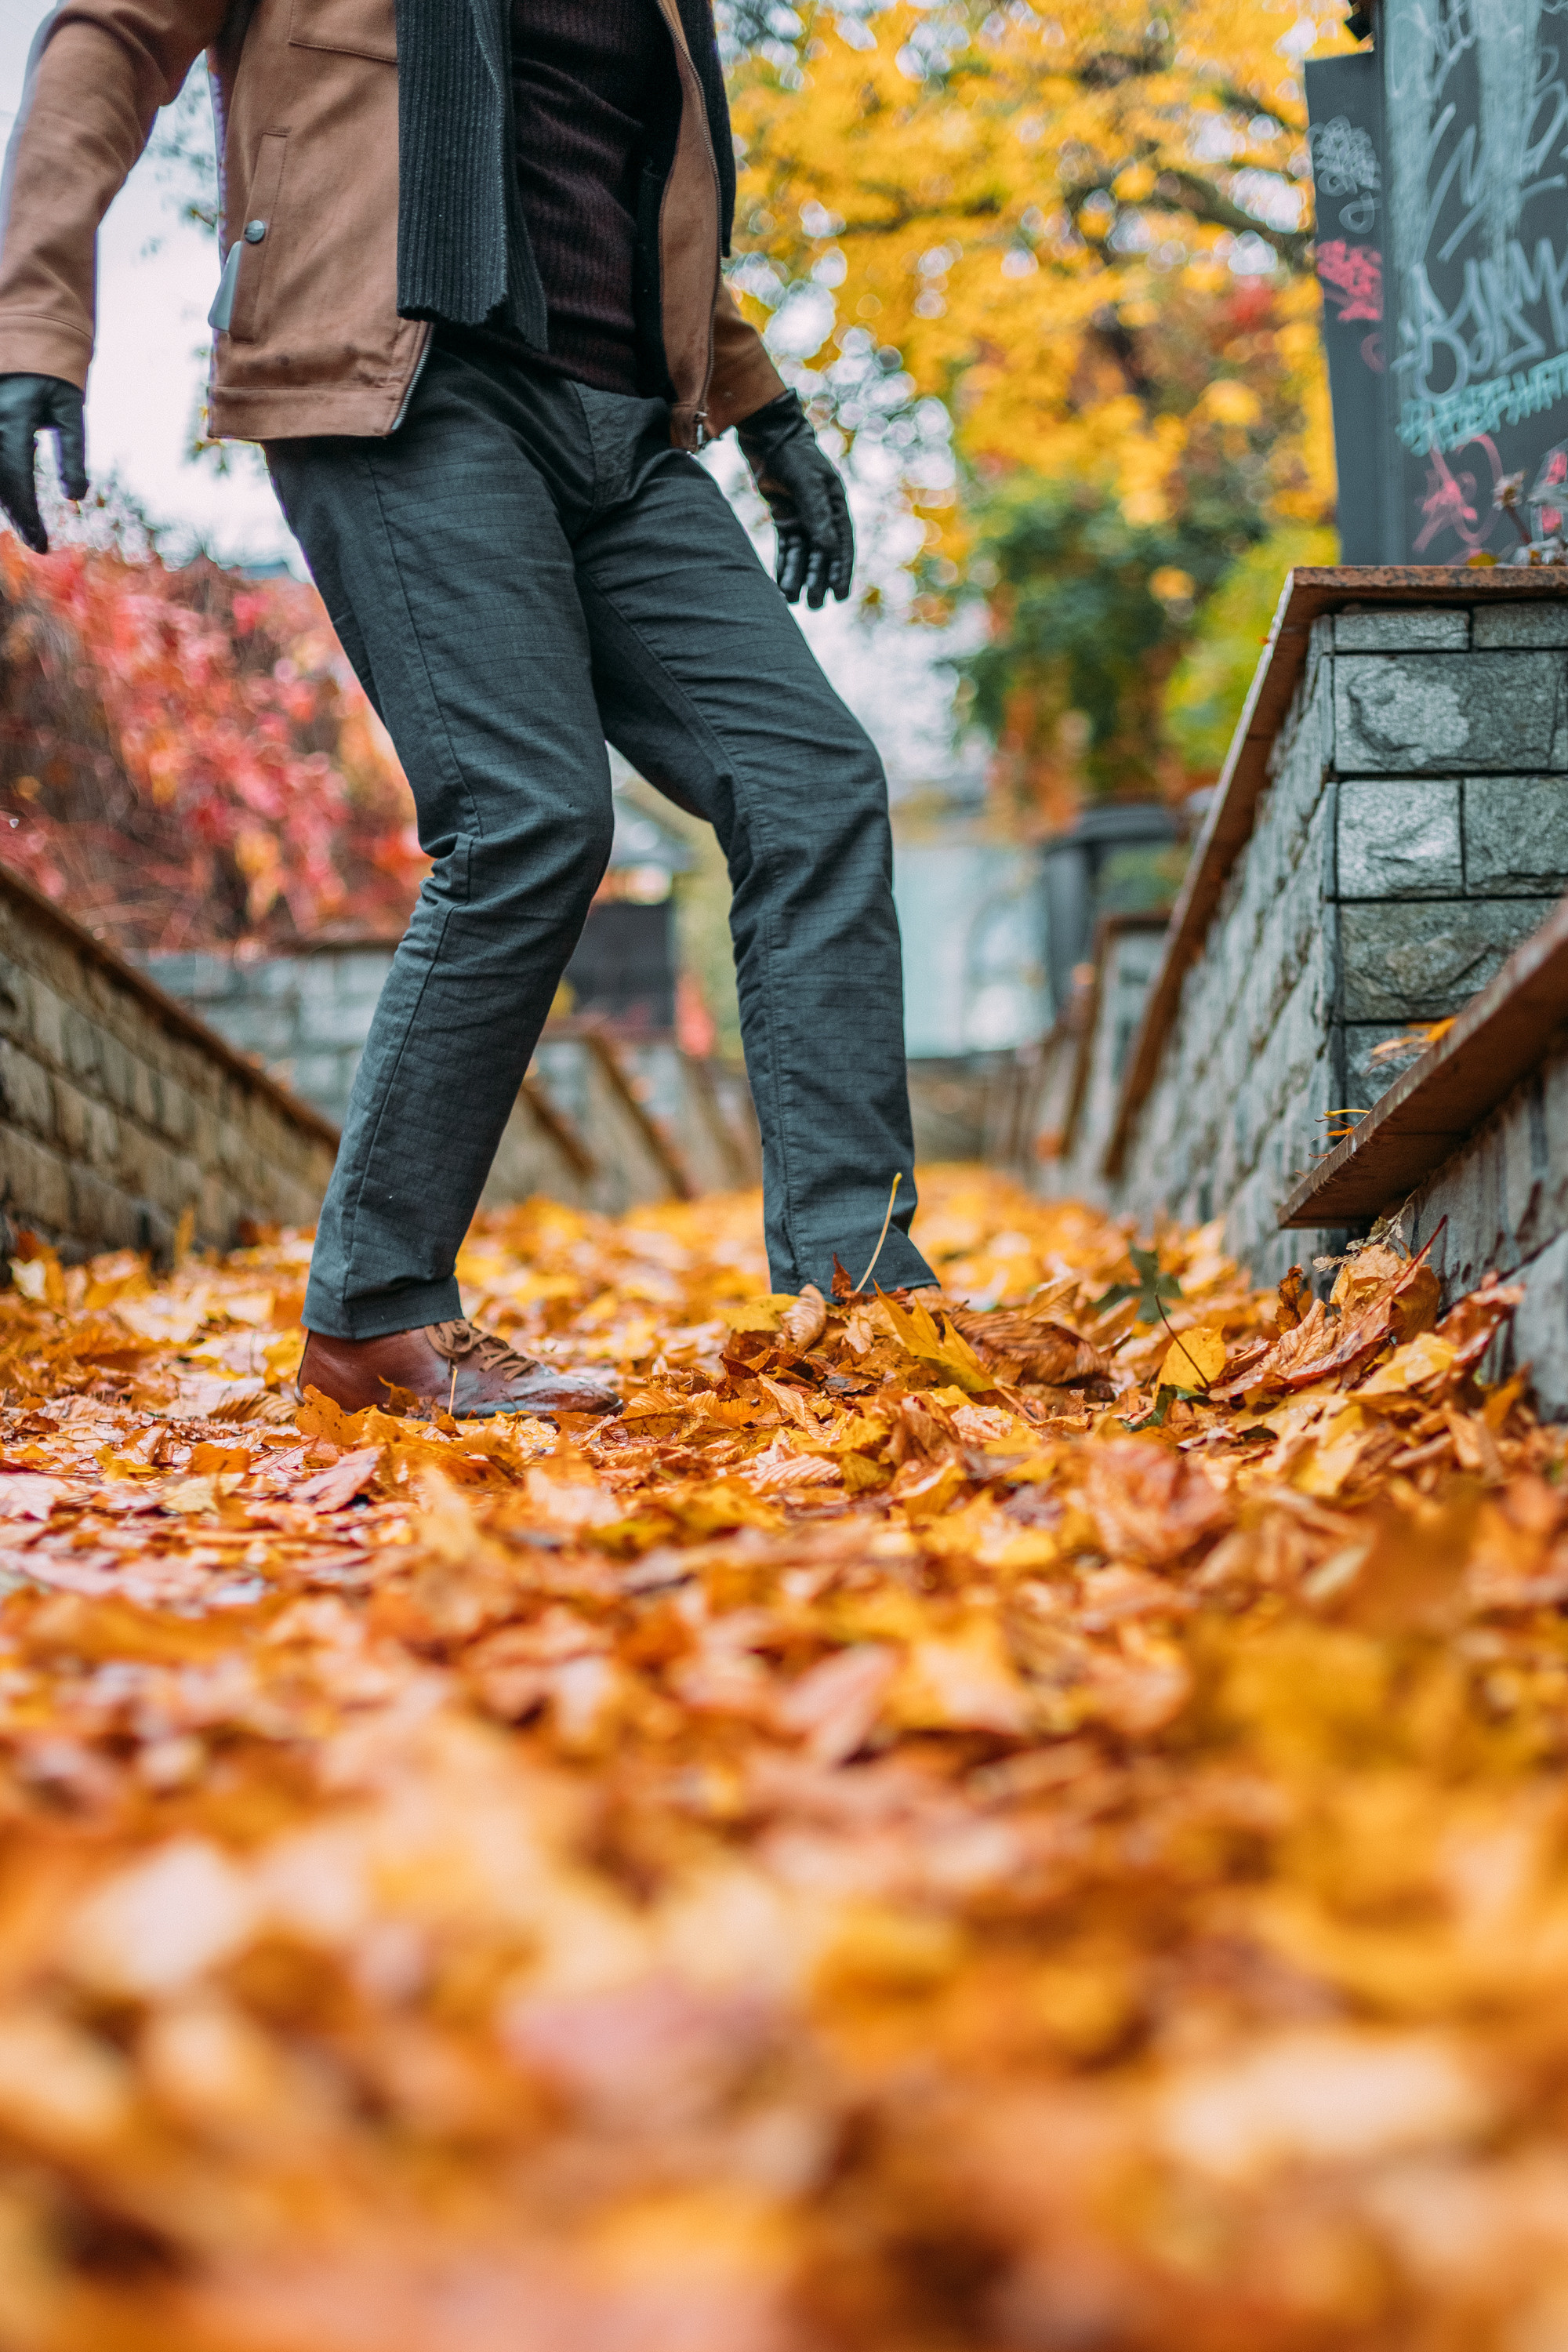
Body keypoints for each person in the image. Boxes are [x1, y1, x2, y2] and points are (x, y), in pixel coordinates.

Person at [0, 0, 936, 1418]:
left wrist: (769, 414)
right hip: (402, 382)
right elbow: (111, 38)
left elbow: (605, 190)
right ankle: (373, 1314)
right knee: (531, 816)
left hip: (624, 431)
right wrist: (35, 314)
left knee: (811, 784)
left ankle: (859, 1294)